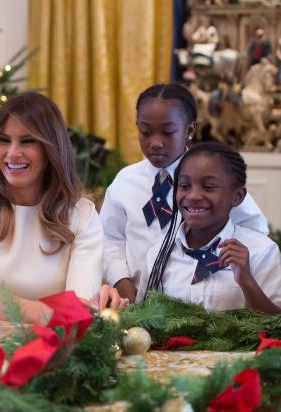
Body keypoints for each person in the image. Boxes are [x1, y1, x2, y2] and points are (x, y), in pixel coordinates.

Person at [0, 92, 125, 324]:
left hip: (49, 346)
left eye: (27, 141)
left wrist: (85, 308)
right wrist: (53, 314)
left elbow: (80, 304)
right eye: (4, 140)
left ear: (51, 149)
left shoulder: (82, 215)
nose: (12, 153)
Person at [99, 83, 268, 303]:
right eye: (145, 132)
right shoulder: (125, 182)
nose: (155, 143)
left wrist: (216, 265)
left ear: (189, 130)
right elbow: (111, 239)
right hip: (136, 305)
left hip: (198, 307)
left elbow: (254, 232)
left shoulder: (214, 178)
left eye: (168, 132)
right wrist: (120, 280)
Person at [139, 142, 280, 314]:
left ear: (237, 196)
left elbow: (276, 328)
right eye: (184, 186)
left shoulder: (262, 252)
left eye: (208, 187)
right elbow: (142, 318)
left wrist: (246, 281)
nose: (193, 196)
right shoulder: (159, 254)